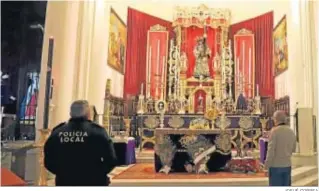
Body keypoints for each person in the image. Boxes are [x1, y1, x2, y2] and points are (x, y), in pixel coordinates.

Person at [44, 100, 117, 186]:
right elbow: (111, 160)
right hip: (93, 181)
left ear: (70, 113)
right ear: (88, 114)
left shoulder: (57, 132)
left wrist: (62, 172)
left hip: (65, 181)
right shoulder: (98, 132)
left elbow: (48, 160)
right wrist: (98, 172)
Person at [265, 110, 296, 186]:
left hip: (275, 167)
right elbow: (293, 149)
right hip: (287, 165)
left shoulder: (274, 131)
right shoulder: (291, 131)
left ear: (275, 119)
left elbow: (270, 151)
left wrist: (266, 166)